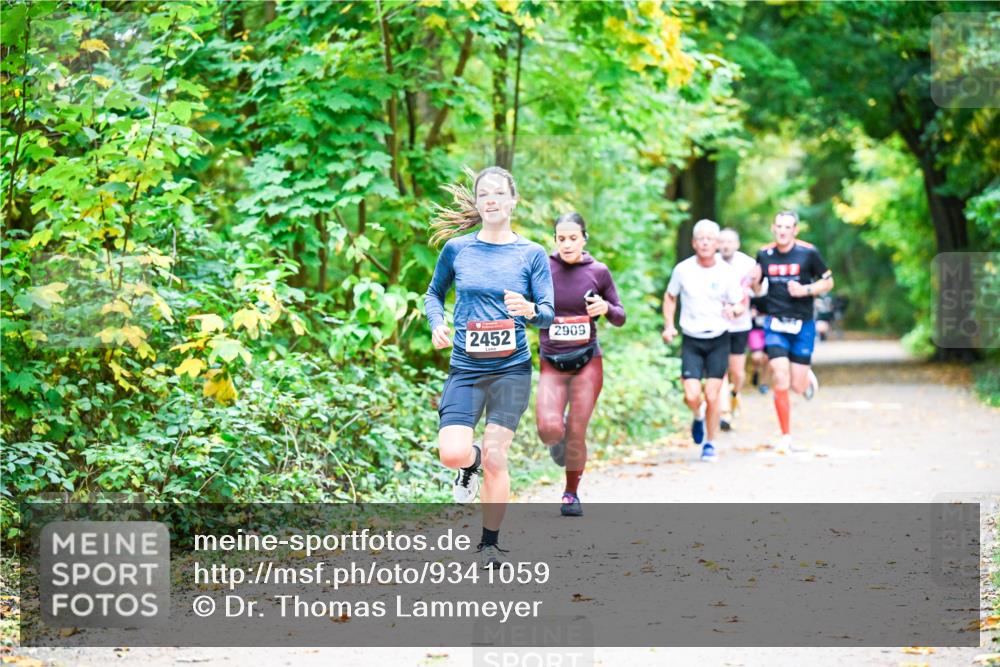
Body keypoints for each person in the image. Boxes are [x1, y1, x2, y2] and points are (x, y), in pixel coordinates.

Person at [424, 166, 554, 567]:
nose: (491, 200)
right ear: (478, 203)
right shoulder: (458, 250)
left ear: (513, 200)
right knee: (452, 454)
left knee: (499, 455)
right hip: (465, 368)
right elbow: (433, 293)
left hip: (512, 369)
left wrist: (530, 310)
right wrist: (437, 323)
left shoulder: (531, 254)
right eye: (484, 194)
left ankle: (490, 544)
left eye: (499, 193)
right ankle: (470, 465)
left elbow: (548, 315)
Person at [536, 212, 626, 517]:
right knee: (549, 429)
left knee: (576, 428)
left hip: (588, 361)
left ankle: (571, 493)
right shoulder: (543, 269)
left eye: (573, 237)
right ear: (555, 240)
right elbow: (526, 307)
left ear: (584, 238)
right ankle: (557, 440)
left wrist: (606, 307)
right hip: (552, 361)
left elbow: (620, 315)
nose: (567, 244)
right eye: (561, 238)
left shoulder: (598, 271)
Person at [750, 210, 834, 453]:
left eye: (788, 227)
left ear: (795, 230)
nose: (783, 231)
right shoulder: (764, 255)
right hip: (775, 324)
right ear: (773, 228)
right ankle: (786, 435)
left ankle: (806, 378)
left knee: (797, 386)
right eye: (779, 226)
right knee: (779, 374)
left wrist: (806, 290)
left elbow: (828, 281)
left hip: (803, 325)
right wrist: (754, 282)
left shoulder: (808, 253)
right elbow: (757, 292)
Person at [662, 219, 745, 462]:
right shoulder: (683, 270)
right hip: (692, 339)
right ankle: (697, 416)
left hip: (719, 339)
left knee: (712, 394)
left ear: (717, 243)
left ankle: (710, 442)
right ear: (694, 243)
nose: (706, 242)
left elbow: (740, 302)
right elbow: (670, 297)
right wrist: (669, 326)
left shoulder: (727, 272)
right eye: (701, 238)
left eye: (710, 238)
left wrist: (735, 311)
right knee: (691, 395)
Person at [717, 228, 756, 431]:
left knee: (737, 373)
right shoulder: (709, 263)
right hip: (717, 326)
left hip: (741, 325)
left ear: (737, 244)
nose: (725, 245)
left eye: (730, 242)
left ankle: (734, 395)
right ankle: (724, 413)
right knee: (720, 369)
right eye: (722, 242)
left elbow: (759, 290)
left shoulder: (748, 264)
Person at [748, 295, 771, 394]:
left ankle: (764, 383)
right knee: (757, 357)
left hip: (769, 329)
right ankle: (756, 371)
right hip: (755, 330)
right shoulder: (747, 289)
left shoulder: (770, 288)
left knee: (767, 358)